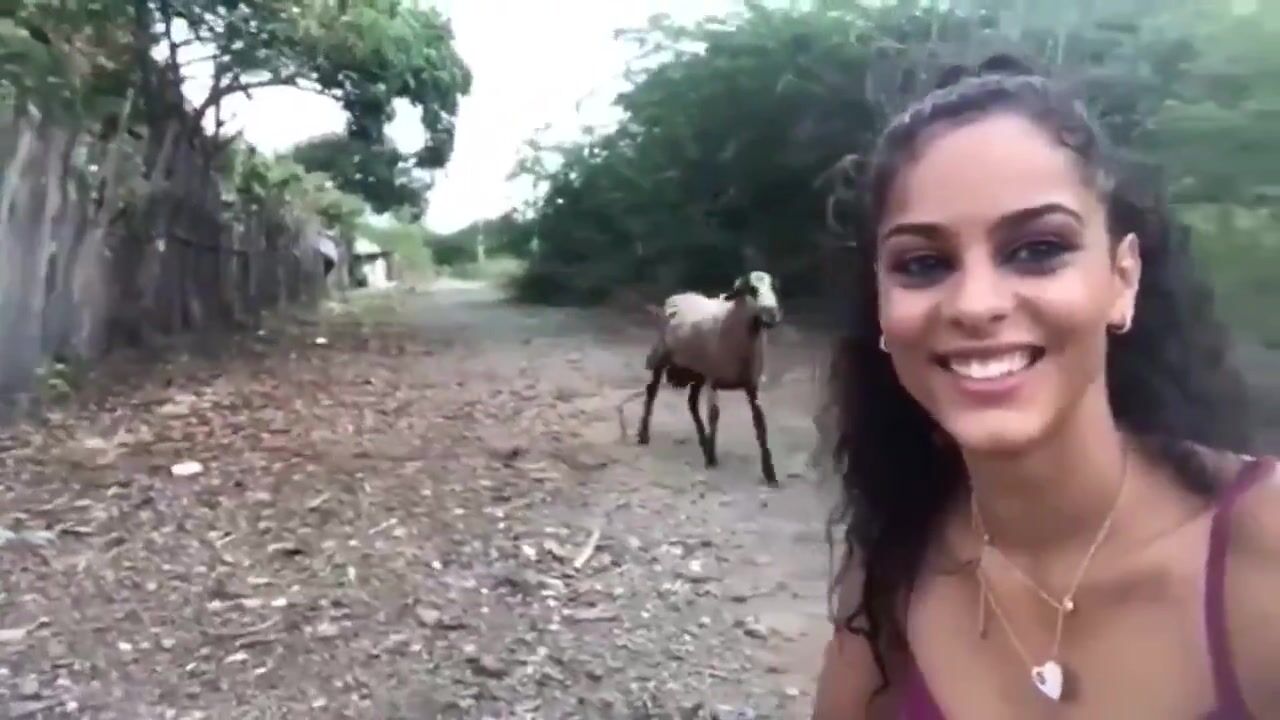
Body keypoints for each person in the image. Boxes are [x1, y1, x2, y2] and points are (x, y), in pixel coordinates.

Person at [812, 55, 1280, 719]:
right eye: (923, 263)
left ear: (1123, 279)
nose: (975, 304)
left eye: (1037, 249)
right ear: (882, 308)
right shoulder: (891, 576)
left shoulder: (1263, 550)